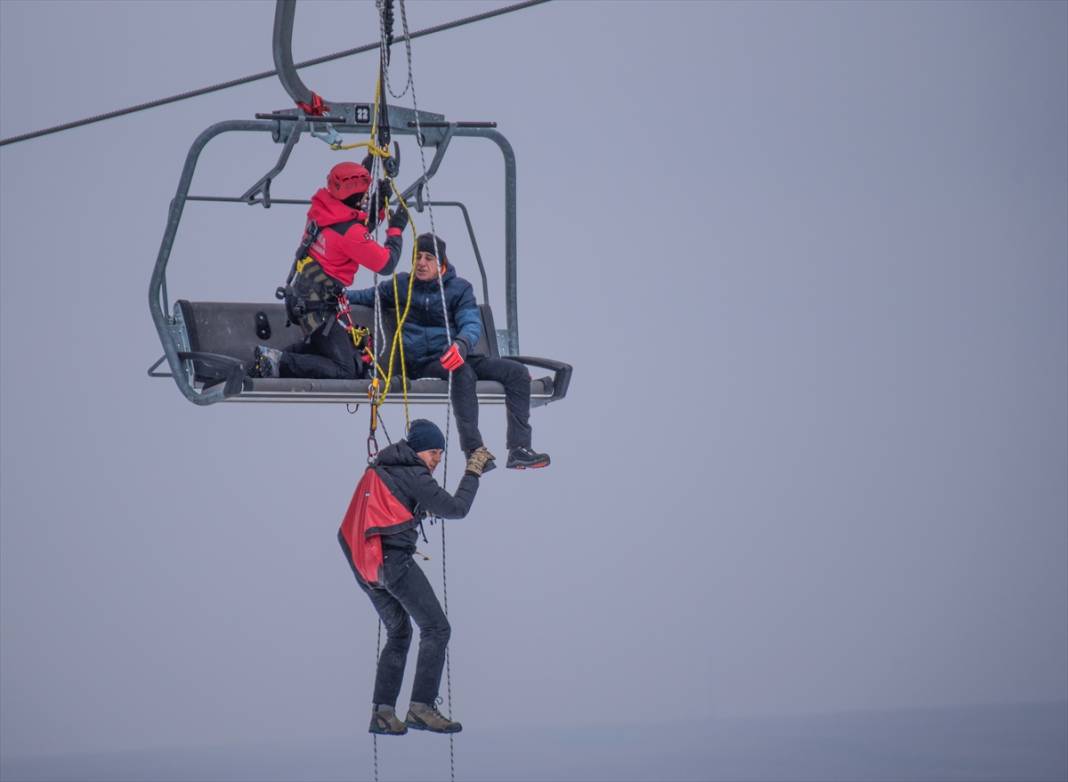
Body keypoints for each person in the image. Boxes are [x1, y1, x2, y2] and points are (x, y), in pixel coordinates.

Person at [338, 419, 495, 735]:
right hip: (392, 560)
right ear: (418, 450)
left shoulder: (385, 467)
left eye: (441, 452)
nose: (438, 458)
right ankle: (421, 708)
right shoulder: (414, 473)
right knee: (437, 628)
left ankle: (382, 714)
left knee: (399, 633)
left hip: (365, 564)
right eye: (434, 452)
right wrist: (473, 472)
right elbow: (456, 508)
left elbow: (396, 505)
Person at [347, 234, 551, 470]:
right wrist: (331, 295)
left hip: (459, 353)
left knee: (516, 372)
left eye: (428, 258)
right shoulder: (401, 285)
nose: (421, 263)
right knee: (462, 373)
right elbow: (363, 296)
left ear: (441, 263)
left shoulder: (459, 289)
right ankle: (474, 451)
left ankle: (519, 449)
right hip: (423, 361)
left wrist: (461, 344)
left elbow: (470, 322)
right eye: (417, 257)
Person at [247, 161, 408, 380]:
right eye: (365, 195)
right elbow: (386, 263)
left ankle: (272, 358)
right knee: (346, 369)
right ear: (354, 197)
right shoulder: (350, 234)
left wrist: (376, 206)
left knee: (332, 352)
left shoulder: (323, 209)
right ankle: (280, 361)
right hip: (318, 309)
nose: (367, 198)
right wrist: (396, 230)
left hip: (304, 299)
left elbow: (354, 227)